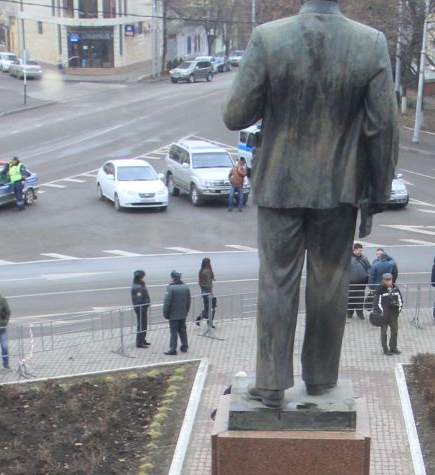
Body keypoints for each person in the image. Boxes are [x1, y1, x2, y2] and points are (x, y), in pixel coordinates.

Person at [221, 7, 394, 408]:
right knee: (330, 284)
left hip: (280, 183)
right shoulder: (370, 43)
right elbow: (381, 126)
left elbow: (235, 114)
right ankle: (319, 378)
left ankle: (271, 382)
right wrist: (379, 189)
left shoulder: (269, 38)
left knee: (276, 281)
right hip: (339, 186)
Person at [161, 269, 191, 354]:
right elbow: (188, 301)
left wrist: (165, 314)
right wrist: (186, 311)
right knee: (183, 330)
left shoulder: (171, 288)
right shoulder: (185, 287)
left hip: (173, 315)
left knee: (173, 332)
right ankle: (184, 346)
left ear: (172, 278)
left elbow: (167, 303)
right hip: (183, 314)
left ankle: (173, 349)